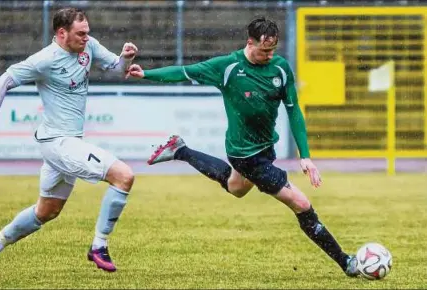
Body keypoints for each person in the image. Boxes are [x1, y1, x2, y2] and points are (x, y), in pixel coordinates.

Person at [128, 16, 359, 277]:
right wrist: (146, 73)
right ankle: (346, 262)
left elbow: (294, 112)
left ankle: (180, 150)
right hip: (244, 155)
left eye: (273, 49)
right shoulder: (228, 67)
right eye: (265, 50)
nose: (270, 55)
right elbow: (185, 72)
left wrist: (305, 155)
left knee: (235, 188)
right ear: (250, 42)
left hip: (265, 149)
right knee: (301, 204)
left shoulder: (281, 69)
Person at [0, 7, 138, 276]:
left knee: (46, 211)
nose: (87, 37)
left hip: (65, 143)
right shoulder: (45, 60)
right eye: (80, 33)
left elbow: (117, 69)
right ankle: (99, 246)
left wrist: (126, 58)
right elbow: (1, 83)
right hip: (58, 143)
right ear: (62, 33)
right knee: (124, 176)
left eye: (87, 32)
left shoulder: (89, 46)